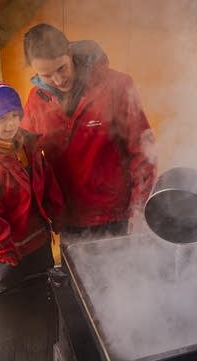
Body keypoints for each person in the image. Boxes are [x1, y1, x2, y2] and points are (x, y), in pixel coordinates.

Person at [21, 24, 157, 244]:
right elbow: (27, 159)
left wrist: (139, 208)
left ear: (70, 53)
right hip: (68, 220)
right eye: (46, 75)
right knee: (76, 278)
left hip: (115, 216)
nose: (58, 80)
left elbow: (143, 149)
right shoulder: (36, 99)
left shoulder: (117, 85)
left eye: (61, 68)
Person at [0, 72, 63, 298]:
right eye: (0, 119)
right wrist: (1, 247)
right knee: (5, 291)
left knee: (40, 284)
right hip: (11, 246)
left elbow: (47, 181)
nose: (10, 125)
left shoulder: (29, 146)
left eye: (13, 115)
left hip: (38, 236)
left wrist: (57, 213)